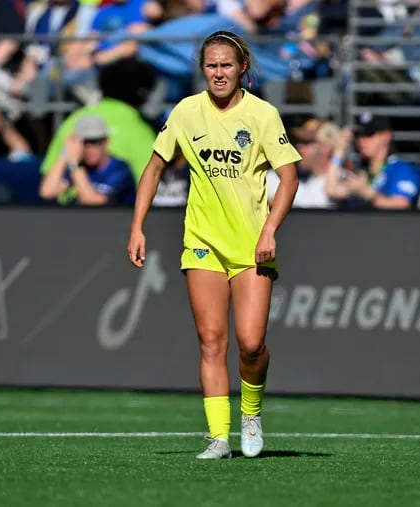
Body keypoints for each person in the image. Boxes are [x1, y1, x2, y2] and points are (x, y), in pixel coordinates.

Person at [126, 30, 301, 460]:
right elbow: (152, 169)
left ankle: (251, 413)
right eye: (211, 65)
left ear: (242, 67)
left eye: (226, 65)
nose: (218, 73)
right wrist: (137, 225)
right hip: (202, 241)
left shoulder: (262, 115)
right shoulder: (186, 112)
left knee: (251, 344)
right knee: (210, 341)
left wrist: (269, 230)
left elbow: (290, 178)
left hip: (251, 247)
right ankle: (220, 438)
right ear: (202, 69)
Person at [39, 115, 136, 205]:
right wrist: (65, 154)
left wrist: (75, 165)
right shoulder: (79, 167)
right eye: (84, 142)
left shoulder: (120, 170)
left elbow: (93, 203)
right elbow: (47, 192)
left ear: (106, 141)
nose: (89, 148)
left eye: (95, 141)